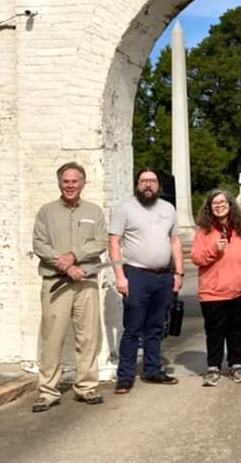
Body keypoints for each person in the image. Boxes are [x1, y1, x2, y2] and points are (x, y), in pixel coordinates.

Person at [31, 161, 107, 412]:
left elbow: (100, 242)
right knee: (52, 338)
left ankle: (86, 387)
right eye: (66, 181)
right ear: (59, 183)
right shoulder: (46, 212)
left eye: (75, 181)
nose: (70, 186)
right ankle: (48, 391)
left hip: (86, 283)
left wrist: (74, 255)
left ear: (83, 184)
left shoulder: (94, 212)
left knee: (88, 337)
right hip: (55, 283)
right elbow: (40, 245)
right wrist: (64, 266)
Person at [109, 168, 184, 395]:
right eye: (143, 181)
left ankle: (152, 370)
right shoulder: (125, 208)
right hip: (136, 274)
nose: (148, 185)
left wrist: (178, 273)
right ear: (137, 184)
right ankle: (125, 376)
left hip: (163, 276)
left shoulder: (168, 209)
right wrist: (120, 276)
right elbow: (114, 243)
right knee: (133, 327)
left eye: (152, 181)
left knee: (155, 327)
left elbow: (175, 242)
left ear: (159, 185)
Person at [191, 189, 241, 386]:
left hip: (240, 290)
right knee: (215, 331)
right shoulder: (204, 231)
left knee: (237, 330)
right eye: (215, 203)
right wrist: (213, 250)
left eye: (223, 202)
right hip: (213, 292)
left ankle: (236, 365)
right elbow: (196, 257)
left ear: (230, 205)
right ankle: (213, 367)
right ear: (209, 208)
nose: (219, 205)